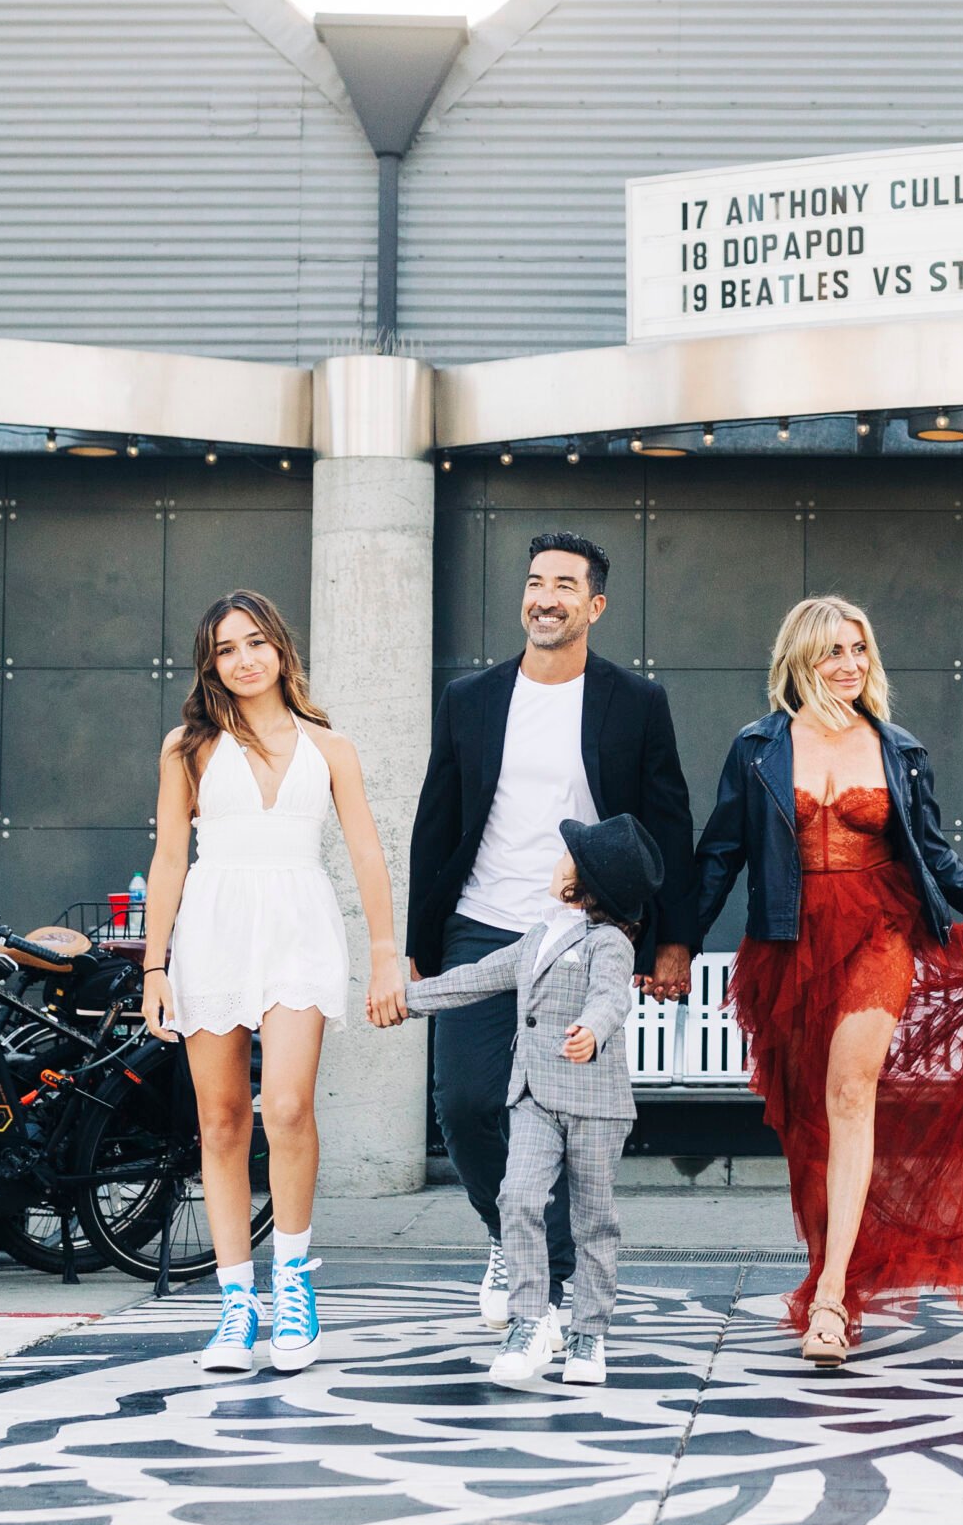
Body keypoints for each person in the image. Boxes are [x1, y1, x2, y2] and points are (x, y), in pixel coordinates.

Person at [693, 596, 963, 1366]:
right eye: (833, 652)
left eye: (859, 649)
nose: (850, 665)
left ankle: (830, 1303)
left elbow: (936, 861)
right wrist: (673, 944)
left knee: (851, 1097)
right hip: (786, 942)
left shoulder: (896, 748)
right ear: (800, 659)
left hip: (878, 932)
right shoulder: (757, 748)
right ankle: (833, 1269)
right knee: (809, 1130)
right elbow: (720, 854)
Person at [407, 531, 698, 1331]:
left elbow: (669, 823)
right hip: (482, 924)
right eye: (536, 582)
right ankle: (518, 1236)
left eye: (565, 585)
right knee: (466, 1105)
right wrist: (417, 942)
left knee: (563, 1112)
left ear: (594, 605)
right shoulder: (470, 699)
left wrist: (671, 937)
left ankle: (546, 1267)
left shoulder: (634, 703)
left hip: (580, 936)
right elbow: (436, 825)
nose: (546, 596)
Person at [139, 589, 407, 1374]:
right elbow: (168, 860)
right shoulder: (185, 747)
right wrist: (154, 967)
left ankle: (294, 1285)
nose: (245, 658)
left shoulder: (332, 749)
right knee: (220, 1120)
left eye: (256, 641)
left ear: (282, 649)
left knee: (286, 1105)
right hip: (213, 925)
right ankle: (234, 1303)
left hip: (298, 920)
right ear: (211, 662)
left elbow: (365, 853)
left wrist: (385, 951)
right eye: (227, 648)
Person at [409, 814, 660, 1389]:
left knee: (593, 1220)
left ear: (586, 887)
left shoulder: (611, 943)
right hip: (535, 1099)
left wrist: (592, 1030)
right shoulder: (537, 938)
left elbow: (610, 998)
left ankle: (589, 1335)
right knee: (517, 1199)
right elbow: (474, 978)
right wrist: (406, 1002)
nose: (555, 861)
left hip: (595, 1102)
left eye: (567, 858)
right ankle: (528, 1321)